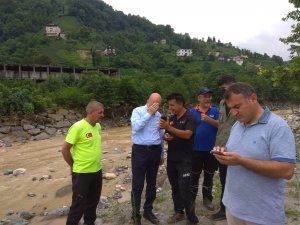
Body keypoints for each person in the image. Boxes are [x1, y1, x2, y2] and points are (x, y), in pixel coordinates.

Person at [213, 82, 296, 225]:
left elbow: (287, 170)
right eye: (231, 108)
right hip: (233, 208)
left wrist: (241, 161)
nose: (234, 113)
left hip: (262, 214)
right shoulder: (237, 125)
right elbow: (235, 153)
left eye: (237, 107)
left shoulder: (277, 127)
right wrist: (223, 154)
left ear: (253, 98)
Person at [61, 101, 104, 225]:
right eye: (100, 112)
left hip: (97, 171)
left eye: (103, 112)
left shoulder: (97, 126)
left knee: (93, 203)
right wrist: (72, 166)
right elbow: (65, 150)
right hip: (82, 173)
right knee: (78, 206)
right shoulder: (78, 127)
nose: (102, 115)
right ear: (91, 112)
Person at [160, 93, 199, 225]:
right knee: (175, 188)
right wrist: (166, 136)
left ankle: (192, 218)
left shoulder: (191, 117)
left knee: (185, 189)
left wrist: (168, 128)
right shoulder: (172, 118)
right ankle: (179, 212)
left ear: (180, 104)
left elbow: (188, 135)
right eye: (169, 105)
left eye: (172, 105)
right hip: (172, 159)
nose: (170, 108)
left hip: (186, 160)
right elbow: (168, 134)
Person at [130, 93, 164, 225]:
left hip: (155, 152)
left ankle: (148, 211)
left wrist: (161, 154)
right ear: (147, 101)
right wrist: (148, 113)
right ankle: (135, 215)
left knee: (151, 184)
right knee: (137, 185)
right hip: (140, 151)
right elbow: (136, 127)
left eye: (158, 104)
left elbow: (160, 135)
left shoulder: (159, 115)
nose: (155, 106)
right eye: (153, 103)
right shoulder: (137, 111)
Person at [209, 75, 236, 221]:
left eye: (224, 88)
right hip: (221, 146)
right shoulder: (221, 103)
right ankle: (224, 210)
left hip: (235, 148)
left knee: (234, 180)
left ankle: (231, 209)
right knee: (224, 179)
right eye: (221, 89)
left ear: (232, 85)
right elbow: (222, 125)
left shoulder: (240, 103)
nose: (223, 91)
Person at [189, 87, 219, 211]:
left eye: (209, 96)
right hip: (195, 150)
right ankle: (191, 200)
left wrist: (209, 120)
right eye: (205, 96)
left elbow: (221, 125)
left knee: (209, 176)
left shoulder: (215, 110)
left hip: (211, 150)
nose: (208, 99)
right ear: (199, 98)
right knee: (194, 176)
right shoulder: (191, 112)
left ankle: (207, 199)